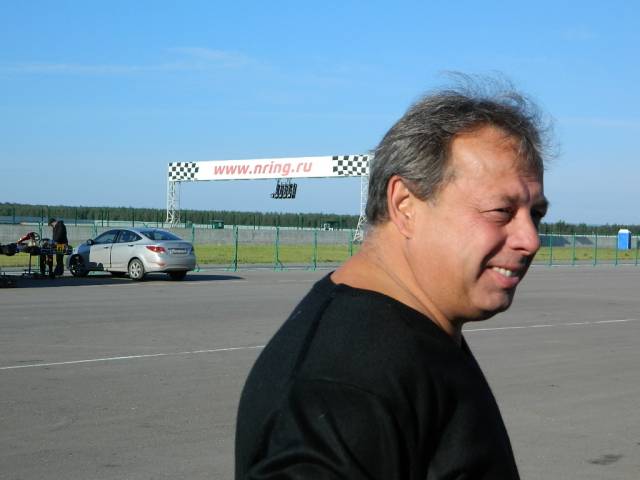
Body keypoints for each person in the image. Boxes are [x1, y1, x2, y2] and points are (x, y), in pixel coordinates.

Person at [235, 81, 550, 479]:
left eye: (535, 214)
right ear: (405, 205)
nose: (530, 240)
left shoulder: (414, 334)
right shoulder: (344, 384)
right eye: (502, 211)